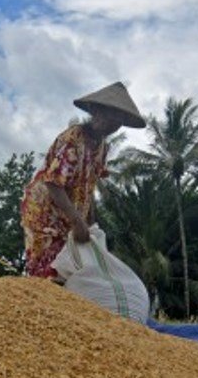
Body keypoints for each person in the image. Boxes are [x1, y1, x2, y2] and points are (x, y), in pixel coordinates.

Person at [20, 81, 146, 280]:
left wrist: (90, 222)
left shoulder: (102, 147)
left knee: (70, 272)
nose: (113, 123)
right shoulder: (74, 138)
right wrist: (77, 221)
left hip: (69, 215)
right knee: (47, 271)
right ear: (95, 110)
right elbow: (53, 182)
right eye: (109, 114)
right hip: (46, 212)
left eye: (118, 119)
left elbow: (88, 188)